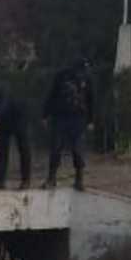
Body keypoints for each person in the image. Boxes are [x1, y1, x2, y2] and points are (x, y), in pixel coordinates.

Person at [42, 57, 95, 191]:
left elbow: (91, 99)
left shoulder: (87, 79)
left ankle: (79, 179)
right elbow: (52, 95)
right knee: (56, 148)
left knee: (78, 149)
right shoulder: (61, 76)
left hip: (78, 118)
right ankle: (51, 178)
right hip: (60, 116)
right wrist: (45, 114)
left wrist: (91, 120)